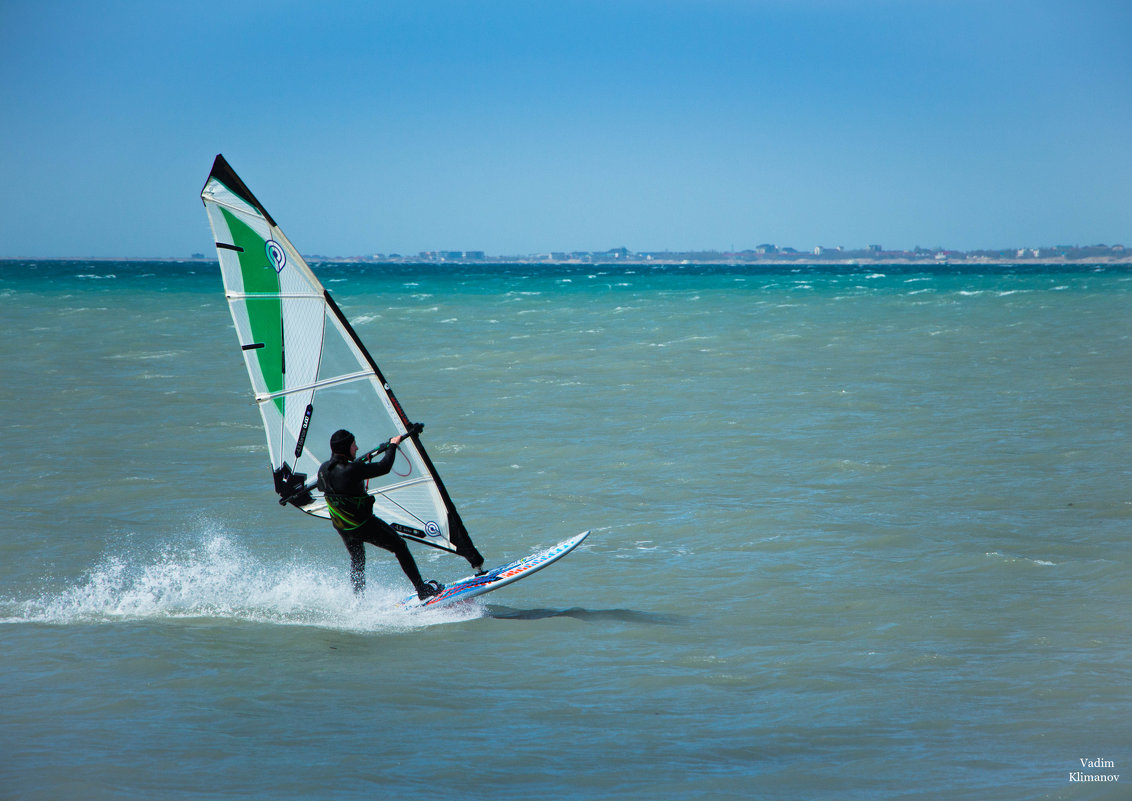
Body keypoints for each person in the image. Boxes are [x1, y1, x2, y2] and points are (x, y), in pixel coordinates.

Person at [317, 428, 445, 601]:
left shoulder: (323, 469)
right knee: (399, 546)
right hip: (363, 525)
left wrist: (359, 469)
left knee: (357, 559)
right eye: (353, 445)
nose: (357, 448)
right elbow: (384, 467)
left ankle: (358, 600)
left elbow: (325, 486)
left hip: (342, 526)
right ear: (345, 448)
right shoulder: (351, 469)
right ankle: (421, 589)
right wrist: (392, 446)